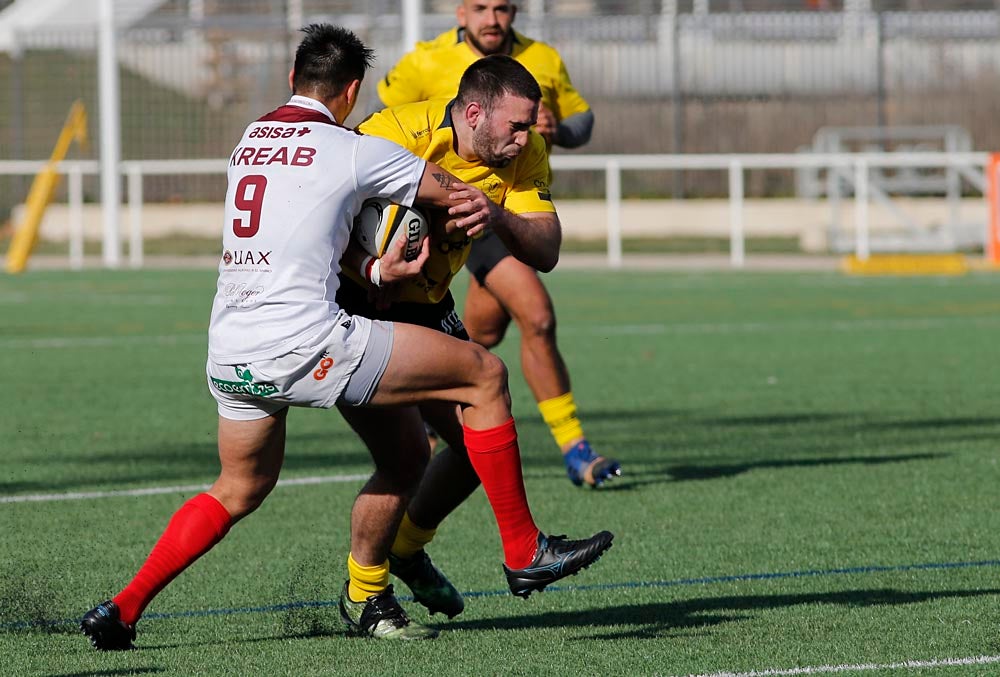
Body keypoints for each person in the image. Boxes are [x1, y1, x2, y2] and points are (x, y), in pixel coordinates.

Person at [79, 24, 613, 650]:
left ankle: (123, 608)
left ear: (291, 80)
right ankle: (523, 549)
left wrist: (375, 264)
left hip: (232, 346)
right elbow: (445, 192)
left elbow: (301, 228)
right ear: (353, 91)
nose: (526, 140)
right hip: (313, 339)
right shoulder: (355, 147)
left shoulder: (249, 142)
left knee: (243, 486)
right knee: (486, 376)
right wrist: (470, 212)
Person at [342, 54, 579, 620]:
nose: (526, 138)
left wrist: (496, 216)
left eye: (530, 126)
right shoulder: (394, 132)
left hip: (430, 304)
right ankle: (368, 586)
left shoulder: (526, 153)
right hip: (356, 306)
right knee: (401, 460)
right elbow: (326, 207)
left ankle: (405, 552)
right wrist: (367, 270)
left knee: (479, 440)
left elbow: (546, 250)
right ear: (473, 113)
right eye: (515, 126)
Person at [377, 0, 621, 489]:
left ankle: (434, 409)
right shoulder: (425, 59)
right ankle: (574, 446)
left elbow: (582, 121)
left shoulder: (544, 59)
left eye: (503, 8)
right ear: (461, 12)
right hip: (463, 216)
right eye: (481, 8)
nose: (493, 19)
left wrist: (559, 131)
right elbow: (380, 130)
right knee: (537, 315)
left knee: (480, 336)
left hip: (516, 210)